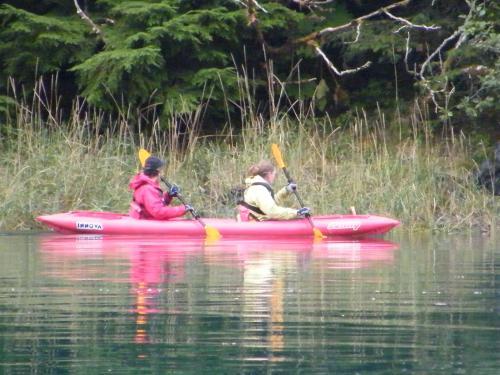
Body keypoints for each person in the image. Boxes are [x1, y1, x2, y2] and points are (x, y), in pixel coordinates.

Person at [237, 160, 311, 221]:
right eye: (274, 175)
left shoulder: (256, 185)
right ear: (269, 174)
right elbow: (272, 211)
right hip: (254, 225)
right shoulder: (260, 190)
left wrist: (286, 191)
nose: (275, 177)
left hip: (255, 220)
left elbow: (269, 202)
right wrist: (296, 213)